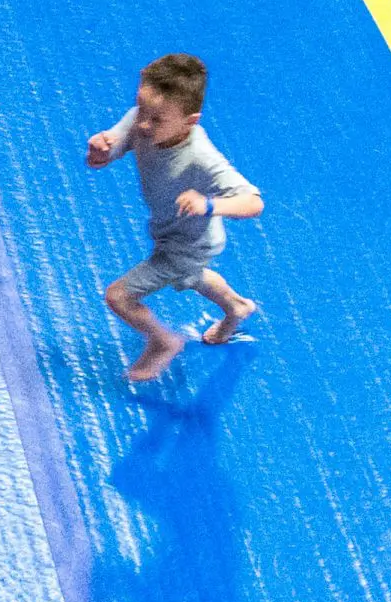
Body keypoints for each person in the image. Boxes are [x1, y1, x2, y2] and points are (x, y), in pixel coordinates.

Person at [85, 53, 262, 384]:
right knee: (193, 277)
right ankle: (237, 308)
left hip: (190, 243)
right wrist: (98, 152)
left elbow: (253, 203)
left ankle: (163, 341)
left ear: (190, 121)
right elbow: (105, 155)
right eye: (142, 111)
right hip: (169, 232)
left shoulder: (200, 157)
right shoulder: (143, 118)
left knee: (118, 296)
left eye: (157, 120)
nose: (143, 125)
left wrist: (209, 204)